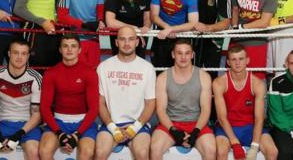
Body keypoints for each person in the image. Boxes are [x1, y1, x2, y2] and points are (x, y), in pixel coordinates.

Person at [95, 26, 156, 160]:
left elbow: (150, 103)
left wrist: (135, 127)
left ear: (137, 42)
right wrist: (112, 127)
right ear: (116, 42)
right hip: (111, 123)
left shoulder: (147, 68)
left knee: (142, 153)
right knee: (99, 153)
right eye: (122, 39)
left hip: (138, 124)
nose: (127, 43)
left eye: (131, 39)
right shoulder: (103, 67)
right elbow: (100, 102)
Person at [151, 39, 216, 160]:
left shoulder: (204, 76)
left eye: (187, 53)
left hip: (196, 123)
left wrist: (196, 131)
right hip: (171, 123)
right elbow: (160, 110)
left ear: (192, 55)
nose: (183, 57)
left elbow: (206, 110)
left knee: (211, 150)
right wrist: (174, 130)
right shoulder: (163, 77)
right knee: (155, 148)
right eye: (179, 53)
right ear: (173, 55)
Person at [39, 34, 99, 160]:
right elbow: (44, 108)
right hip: (58, 121)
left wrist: (77, 135)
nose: (69, 49)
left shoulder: (89, 73)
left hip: (83, 122)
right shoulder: (51, 73)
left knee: (87, 152)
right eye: (65, 46)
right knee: (44, 152)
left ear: (80, 49)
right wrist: (59, 133)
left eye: (73, 46)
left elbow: (94, 109)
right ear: (60, 50)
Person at [213, 45, 277, 160]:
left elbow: (259, 118)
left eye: (241, 59)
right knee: (221, 152)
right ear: (228, 62)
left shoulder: (257, 84)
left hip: (250, 126)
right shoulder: (219, 83)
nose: (237, 63)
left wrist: (254, 146)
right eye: (234, 59)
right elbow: (221, 117)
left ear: (247, 60)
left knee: (272, 152)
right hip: (227, 126)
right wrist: (235, 143)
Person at [184, 0, 231, 80]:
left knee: (209, 78)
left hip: (211, 38)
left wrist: (207, 28)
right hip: (187, 35)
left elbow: (226, 22)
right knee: (185, 75)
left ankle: (208, 100)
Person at [150, 0, 198, 70]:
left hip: (181, 37)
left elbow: (193, 23)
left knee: (182, 71)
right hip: (161, 35)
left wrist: (172, 29)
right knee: (159, 72)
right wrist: (167, 28)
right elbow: (153, 16)